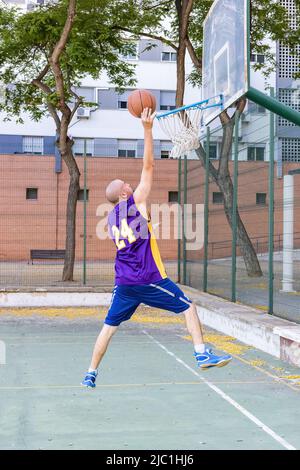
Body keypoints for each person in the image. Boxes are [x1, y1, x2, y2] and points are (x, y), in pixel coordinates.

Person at [81, 108, 232, 388]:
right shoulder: (133, 203)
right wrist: (148, 130)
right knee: (188, 307)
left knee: (108, 328)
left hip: (123, 282)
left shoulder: (111, 216)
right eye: (127, 184)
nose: (131, 183)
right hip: (148, 278)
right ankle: (201, 355)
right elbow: (148, 168)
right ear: (125, 194)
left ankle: (91, 372)